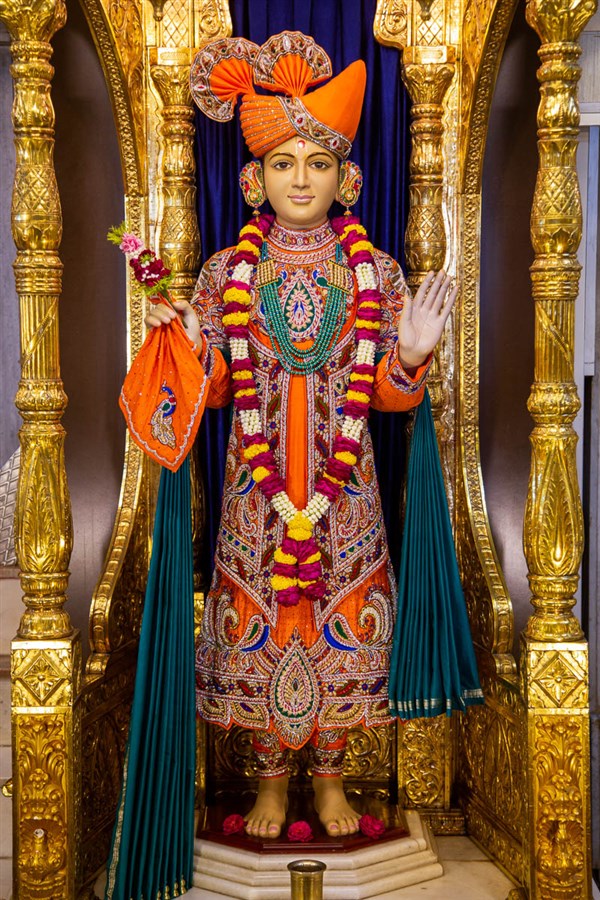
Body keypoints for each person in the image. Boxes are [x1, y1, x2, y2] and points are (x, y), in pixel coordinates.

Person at [145, 32, 457, 840]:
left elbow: (388, 397)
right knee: (261, 624)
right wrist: (188, 346)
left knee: (340, 623)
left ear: (346, 178)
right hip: (258, 491)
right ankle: (269, 788)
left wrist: (411, 355)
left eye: (318, 163)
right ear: (255, 179)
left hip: (343, 491)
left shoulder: (375, 273)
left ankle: (331, 784)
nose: (301, 179)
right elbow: (216, 391)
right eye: (283, 163)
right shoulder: (226, 273)